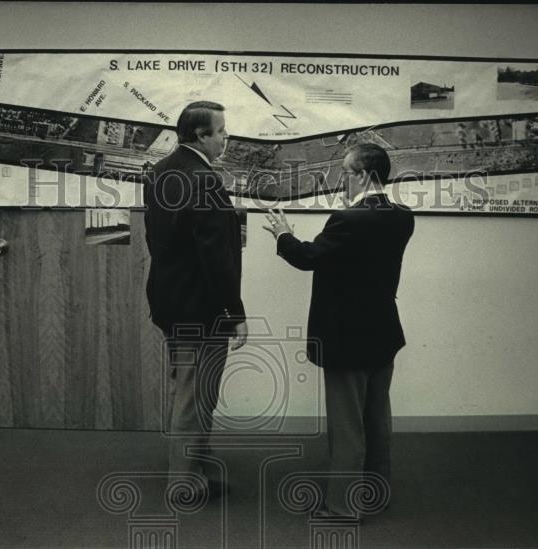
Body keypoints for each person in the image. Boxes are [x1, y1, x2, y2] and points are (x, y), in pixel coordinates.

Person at [263, 143, 414, 519]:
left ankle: (344, 506)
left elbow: (308, 258)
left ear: (363, 175)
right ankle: (377, 493)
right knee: (377, 420)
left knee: (347, 425)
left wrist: (283, 234)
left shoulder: (348, 219)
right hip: (383, 332)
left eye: (345, 173)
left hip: (348, 338)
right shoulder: (402, 217)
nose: (339, 181)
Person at [144, 100, 247, 502]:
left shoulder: (160, 171)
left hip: (172, 301)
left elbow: (159, 242)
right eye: (220, 131)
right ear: (201, 135)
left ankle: (198, 470)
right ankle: (184, 485)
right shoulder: (204, 180)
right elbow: (216, 257)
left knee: (191, 388)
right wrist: (233, 312)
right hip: (202, 308)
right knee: (195, 395)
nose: (225, 137)